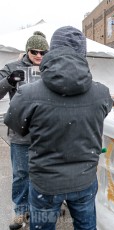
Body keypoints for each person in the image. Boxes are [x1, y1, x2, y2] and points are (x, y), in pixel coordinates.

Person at [4, 26, 113, 229]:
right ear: (83, 53)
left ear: (52, 51)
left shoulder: (28, 94)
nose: (38, 55)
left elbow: (16, 125)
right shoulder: (102, 93)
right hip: (84, 180)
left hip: (46, 184)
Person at [0, 31, 49, 230]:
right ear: (27, 50)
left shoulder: (52, 68)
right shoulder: (12, 67)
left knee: (44, 173)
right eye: (34, 51)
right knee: (21, 173)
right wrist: (9, 81)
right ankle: (20, 212)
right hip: (21, 132)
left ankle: (39, 209)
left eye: (43, 52)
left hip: (47, 133)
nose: (39, 55)